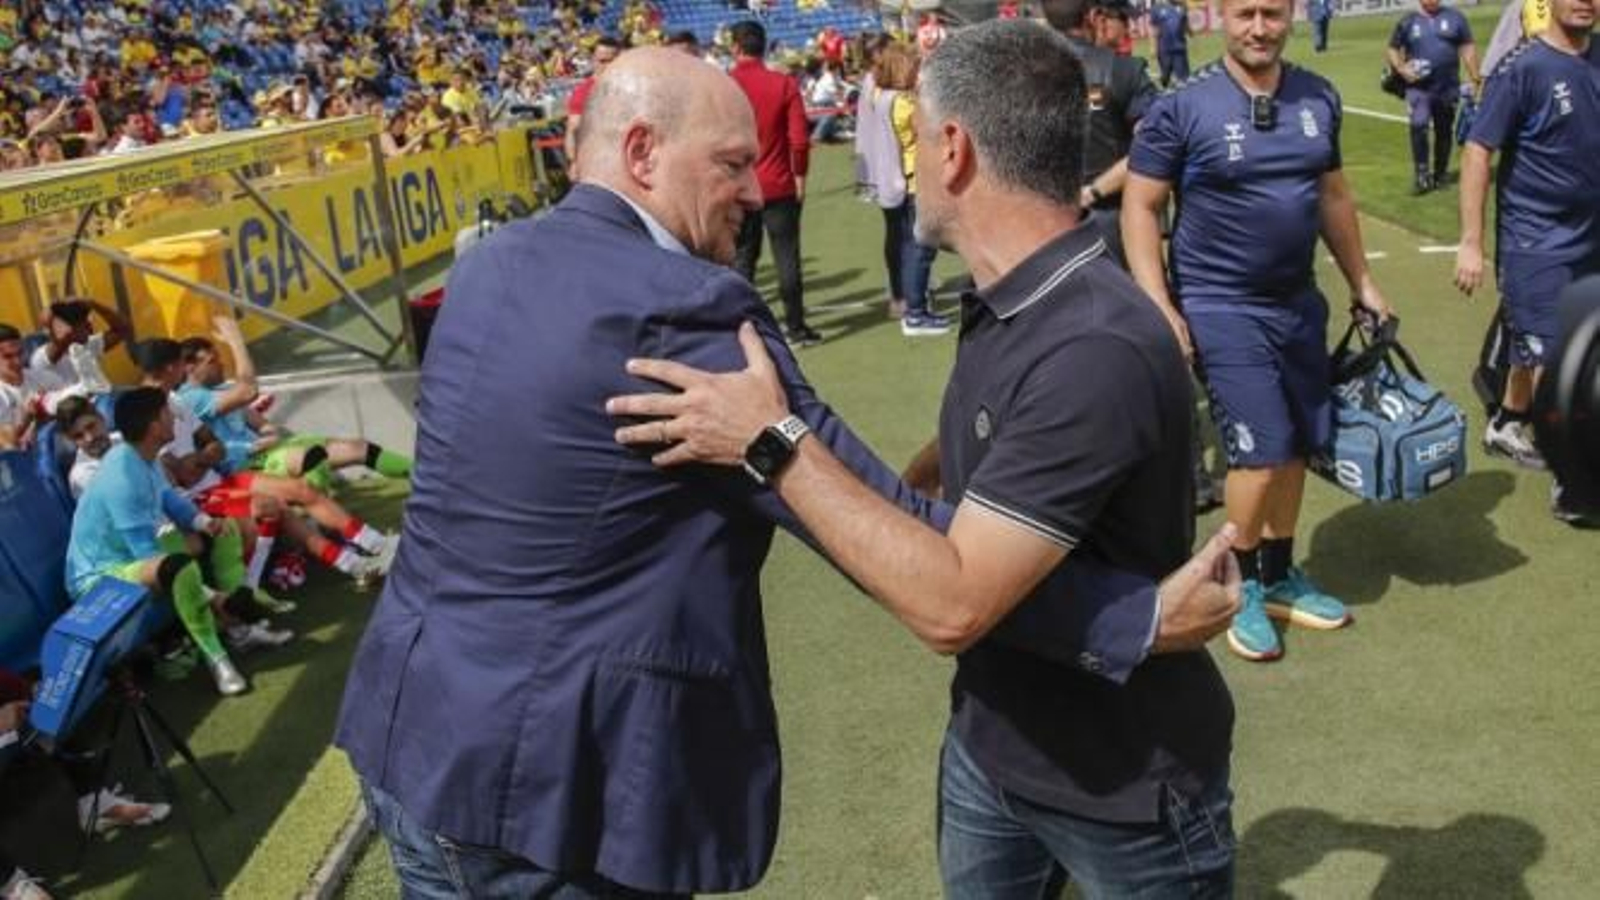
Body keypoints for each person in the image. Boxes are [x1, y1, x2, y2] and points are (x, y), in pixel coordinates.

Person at [336, 46, 1235, 897]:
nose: (756, 190)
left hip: (406, 731)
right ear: (643, 153)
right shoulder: (683, 311)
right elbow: (917, 560)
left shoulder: (492, 264)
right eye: (730, 164)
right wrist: (1132, 619)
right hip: (541, 790)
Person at [606, 22, 1243, 897]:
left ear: (954, 149)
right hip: (995, 745)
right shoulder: (1015, 293)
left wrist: (771, 441)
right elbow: (1002, 432)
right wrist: (926, 472)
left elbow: (953, 606)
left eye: (914, 128)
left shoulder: (1091, 342)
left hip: (1122, 783)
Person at [1123, 0, 1394, 662]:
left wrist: (1362, 282)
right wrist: (1159, 302)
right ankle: (1232, 581)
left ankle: (1277, 575)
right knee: (1262, 447)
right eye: (1245, 13)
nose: (1259, 27)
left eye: (1272, 13)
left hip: (1298, 303)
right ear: (1221, 21)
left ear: (1291, 16)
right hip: (1220, 305)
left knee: (1300, 441)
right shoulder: (1183, 105)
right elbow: (1141, 202)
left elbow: (1332, 196)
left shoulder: (1318, 97)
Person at [1454, 0, 1598, 522]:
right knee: (1557, 361)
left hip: (1591, 235)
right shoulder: (1523, 68)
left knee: (1540, 345)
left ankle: (1507, 421)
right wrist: (1471, 241)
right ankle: (1574, 482)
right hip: (1536, 242)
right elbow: (1477, 152)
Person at [64, 388, 292, 697]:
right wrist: (214, 596)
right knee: (178, 567)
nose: (174, 417)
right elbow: (150, 557)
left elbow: (169, 498)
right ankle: (218, 659)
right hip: (99, 577)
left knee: (223, 530)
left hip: (133, 558)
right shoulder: (121, 479)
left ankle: (239, 630)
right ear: (154, 425)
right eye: (167, 413)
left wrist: (202, 522)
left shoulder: (138, 454)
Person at [1040, 0, 1157, 265]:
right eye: (1124, 20)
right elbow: (1153, 147)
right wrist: (1092, 192)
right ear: (1094, 17)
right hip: (1116, 222)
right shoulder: (1125, 70)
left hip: (1045, 228)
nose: (1128, 28)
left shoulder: (1020, 77)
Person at [729, 20, 821, 347]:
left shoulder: (725, 85)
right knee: (786, 257)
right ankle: (796, 327)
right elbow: (799, 140)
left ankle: (739, 330)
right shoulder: (782, 84)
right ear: (764, 47)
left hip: (738, 188)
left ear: (735, 47)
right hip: (779, 185)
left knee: (742, 259)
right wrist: (800, 178)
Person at [1387, 0, 1482, 194]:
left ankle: (1440, 174)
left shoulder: (1455, 18)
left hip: (1447, 87)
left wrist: (1475, 77)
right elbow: (1392, 48)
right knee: (1419, 124)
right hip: (1418, 89)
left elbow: (1467, 47)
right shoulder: (1408, 21)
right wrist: (1401, 68)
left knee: (1444, 130)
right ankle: (1422, 175)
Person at [28, 299, 127, 396]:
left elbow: (122, 329)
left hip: (100, 399)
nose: (91, 330)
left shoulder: (87, 344)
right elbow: (54, 337)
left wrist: (94, 304)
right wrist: (52, 313)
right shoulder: (41, 359)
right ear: (69, 332)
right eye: (85, 326)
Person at [563, 35, 621, 167]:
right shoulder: (583, 93)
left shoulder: (630, 87)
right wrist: (574, 163)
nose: (608, 66)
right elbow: (573, 130)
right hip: (598, 162)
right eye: (603, 61)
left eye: (613, 61)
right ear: (593, 61)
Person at [1150, 0, 1193, 84]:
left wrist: (1190, 33)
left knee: (1183, 78)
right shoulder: (1157, 8)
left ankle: (1184, 93)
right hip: (1164, 50)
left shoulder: (1182, 6)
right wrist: (1153, 47)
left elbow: (1185, 22)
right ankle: (1164, 84)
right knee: (1165, 77)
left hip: (1179, 49)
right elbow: (1155, 29)